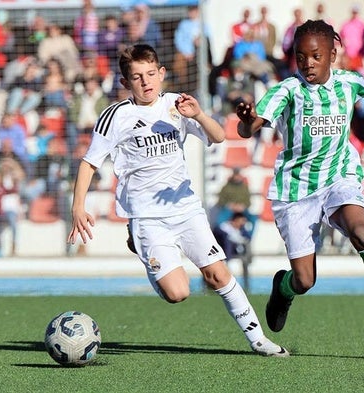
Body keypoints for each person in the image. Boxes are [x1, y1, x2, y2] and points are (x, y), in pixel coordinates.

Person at [67, 44, 288, 357]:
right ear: (125, 83)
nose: (145, 82)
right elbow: (89, 163)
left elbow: (218, 136)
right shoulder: (116, 116)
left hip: (186, 209)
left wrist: (198, 114)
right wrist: (78, 207)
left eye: (150, 74)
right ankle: (143, 247)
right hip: (146, 217)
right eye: (137, 77)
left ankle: (258, 340)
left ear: (161, 74)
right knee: (178, 293)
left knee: (218, 274)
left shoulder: (177, 104)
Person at [235, 20, 364, 354]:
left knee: (361, 233)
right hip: (296, 189)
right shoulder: (286, 90)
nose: (307, 62)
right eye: (300, 56)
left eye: (316, 56)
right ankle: (284, 288)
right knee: (305, 280)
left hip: (338, 176)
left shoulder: (348, 83)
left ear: (332, 55)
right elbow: (250, 129)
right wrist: (247, 119)